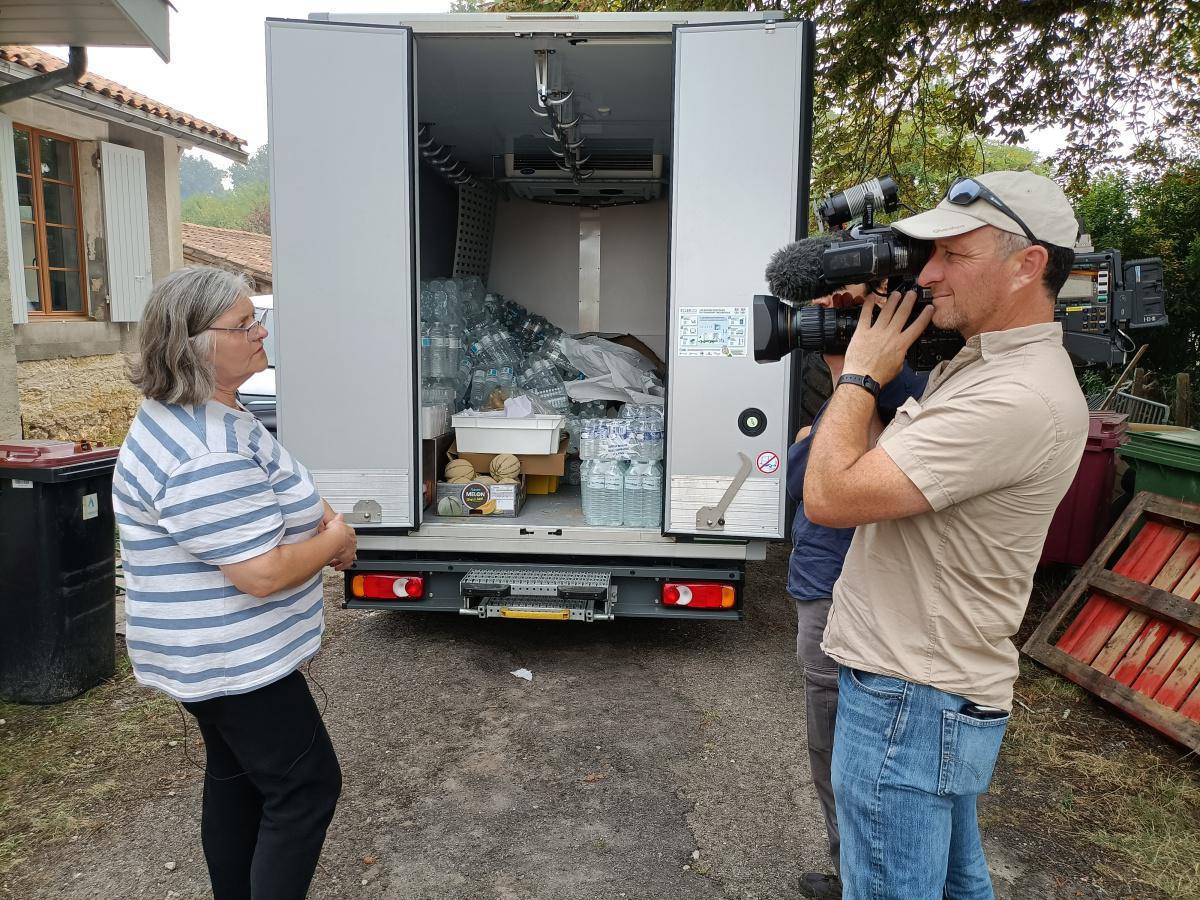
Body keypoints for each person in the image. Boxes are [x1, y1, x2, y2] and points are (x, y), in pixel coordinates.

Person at [804, 171, 1089, 899]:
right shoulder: (982, 368)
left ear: (1028, 263)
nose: (926, 275)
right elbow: (871, 477)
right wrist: (847, 366)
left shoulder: (1013, 396)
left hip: (909, 695)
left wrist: (862, 381)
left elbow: (832, 496)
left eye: (952, 257)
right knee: (960, 887)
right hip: (929, 690)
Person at [112, 266, 357, 900]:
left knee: (239, 776)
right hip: (231, 661)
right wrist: (331, 540)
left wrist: (317, 516)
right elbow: (260, 573)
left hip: (211, 658)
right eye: (243, 324)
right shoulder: (203, 452)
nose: (260, 331)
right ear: (192, 344)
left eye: (257, 318)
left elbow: (262, 499)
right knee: (306, 787)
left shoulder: (209, 410)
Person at [788, 288, 928, 900]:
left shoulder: (890, 398)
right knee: (843, 754)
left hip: (839, 597)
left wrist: (808, 439)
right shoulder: (850, 402)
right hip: (828, 589)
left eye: (836, 314)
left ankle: (859, 881)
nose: (821, 328)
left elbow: (805, 485)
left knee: (844, 755)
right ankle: (853, 874)